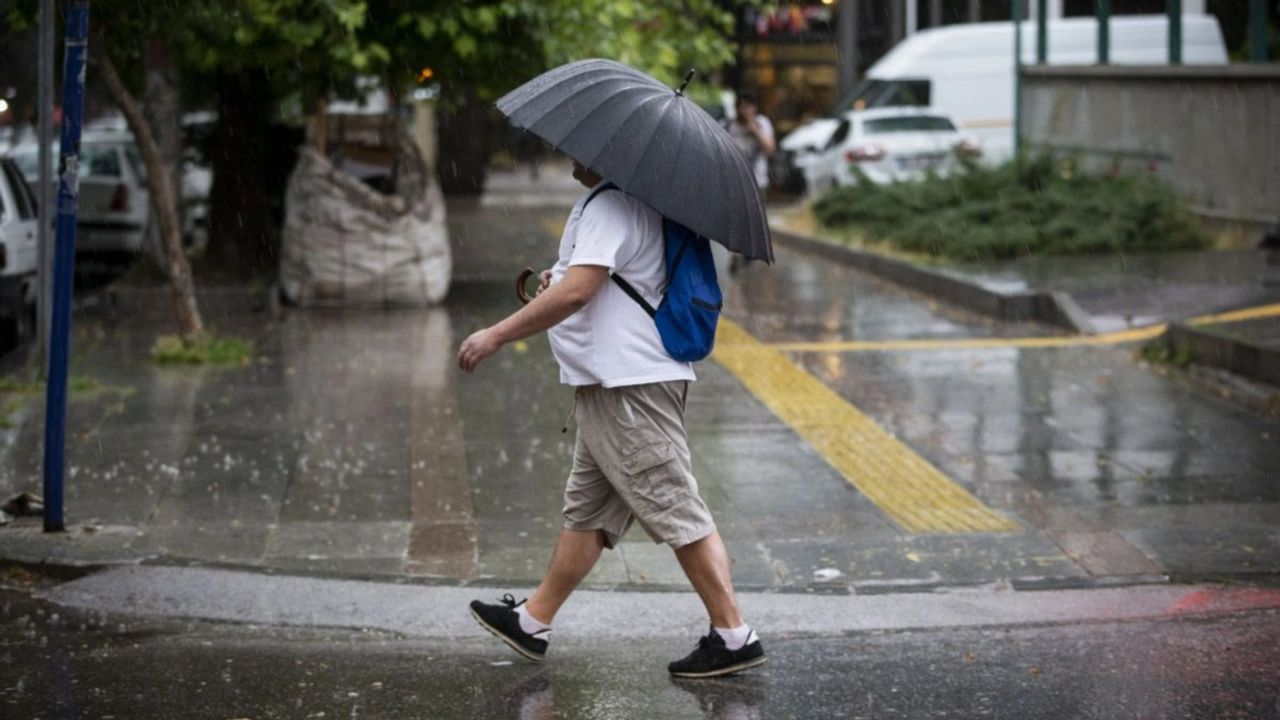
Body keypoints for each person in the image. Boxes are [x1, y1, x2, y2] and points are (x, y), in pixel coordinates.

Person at [459, 159, 765, 679]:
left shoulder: (611, 204)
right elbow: (597, 282)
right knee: (590, 514)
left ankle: (733, 634)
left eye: (579, 150)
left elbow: (580, 291)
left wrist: (497, 334)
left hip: (629, 387)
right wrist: (560, 280)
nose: (570, 158)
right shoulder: (639, 204)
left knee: (675, 506)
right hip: (611, 385)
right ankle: (532, 623)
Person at [726, 92, 776, 193]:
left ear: (755, 108)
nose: (744, 111)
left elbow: (770, 149)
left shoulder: (762, 123)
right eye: (742, 107)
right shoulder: (729, 126)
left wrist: (755, 130)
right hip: (736, 179)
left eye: (748, 107)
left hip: (758, 179)